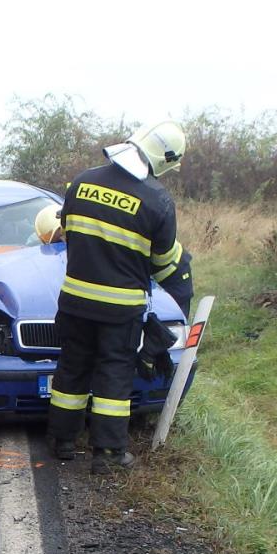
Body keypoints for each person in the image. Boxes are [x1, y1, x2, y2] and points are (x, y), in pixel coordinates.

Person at [43, 120, 185, 473]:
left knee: (71, 370)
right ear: (166, 159)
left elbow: (69, 236)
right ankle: (107, 455)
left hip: (74, 300)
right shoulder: (158, 200)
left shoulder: (82, 181)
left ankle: (62, 442)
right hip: (120, 309)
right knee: (113, 375)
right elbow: (162, 262)